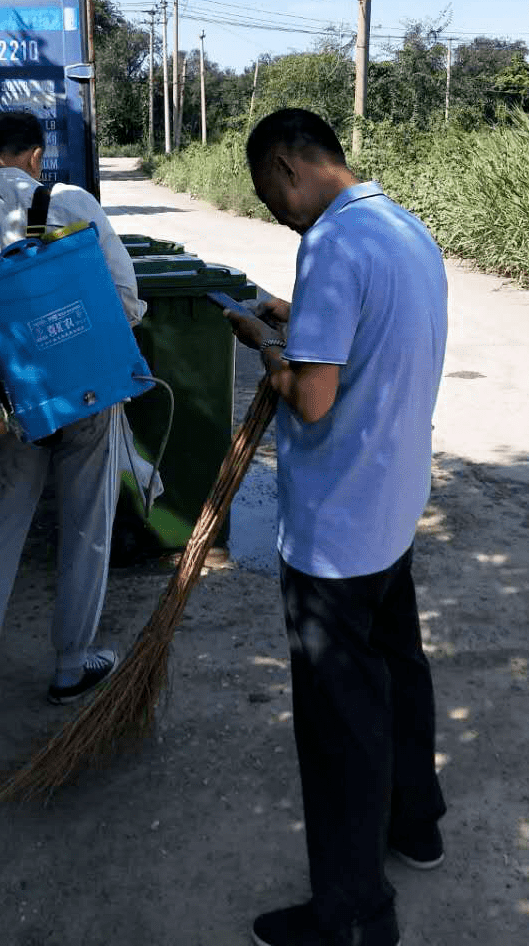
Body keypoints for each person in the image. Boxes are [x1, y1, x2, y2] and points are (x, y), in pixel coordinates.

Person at [222, 108, 448, 946]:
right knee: (401, 670)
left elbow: (313, 400)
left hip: (336, 527)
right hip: (392, 508)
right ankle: (416, 825)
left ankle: (353, 915)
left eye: (267, 194)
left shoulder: (329, 244)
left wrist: (264, 348)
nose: (276, 212)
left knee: (338, 722)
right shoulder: (403, 229)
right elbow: (371, 336)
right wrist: (293, 316)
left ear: (287, 164)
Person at [0, 110, 144, 711]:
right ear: (36, 157)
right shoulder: (71, 202)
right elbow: (127, 302)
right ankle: (73, 665)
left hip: (10, 402)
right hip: (89, 394)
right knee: (86, 529)